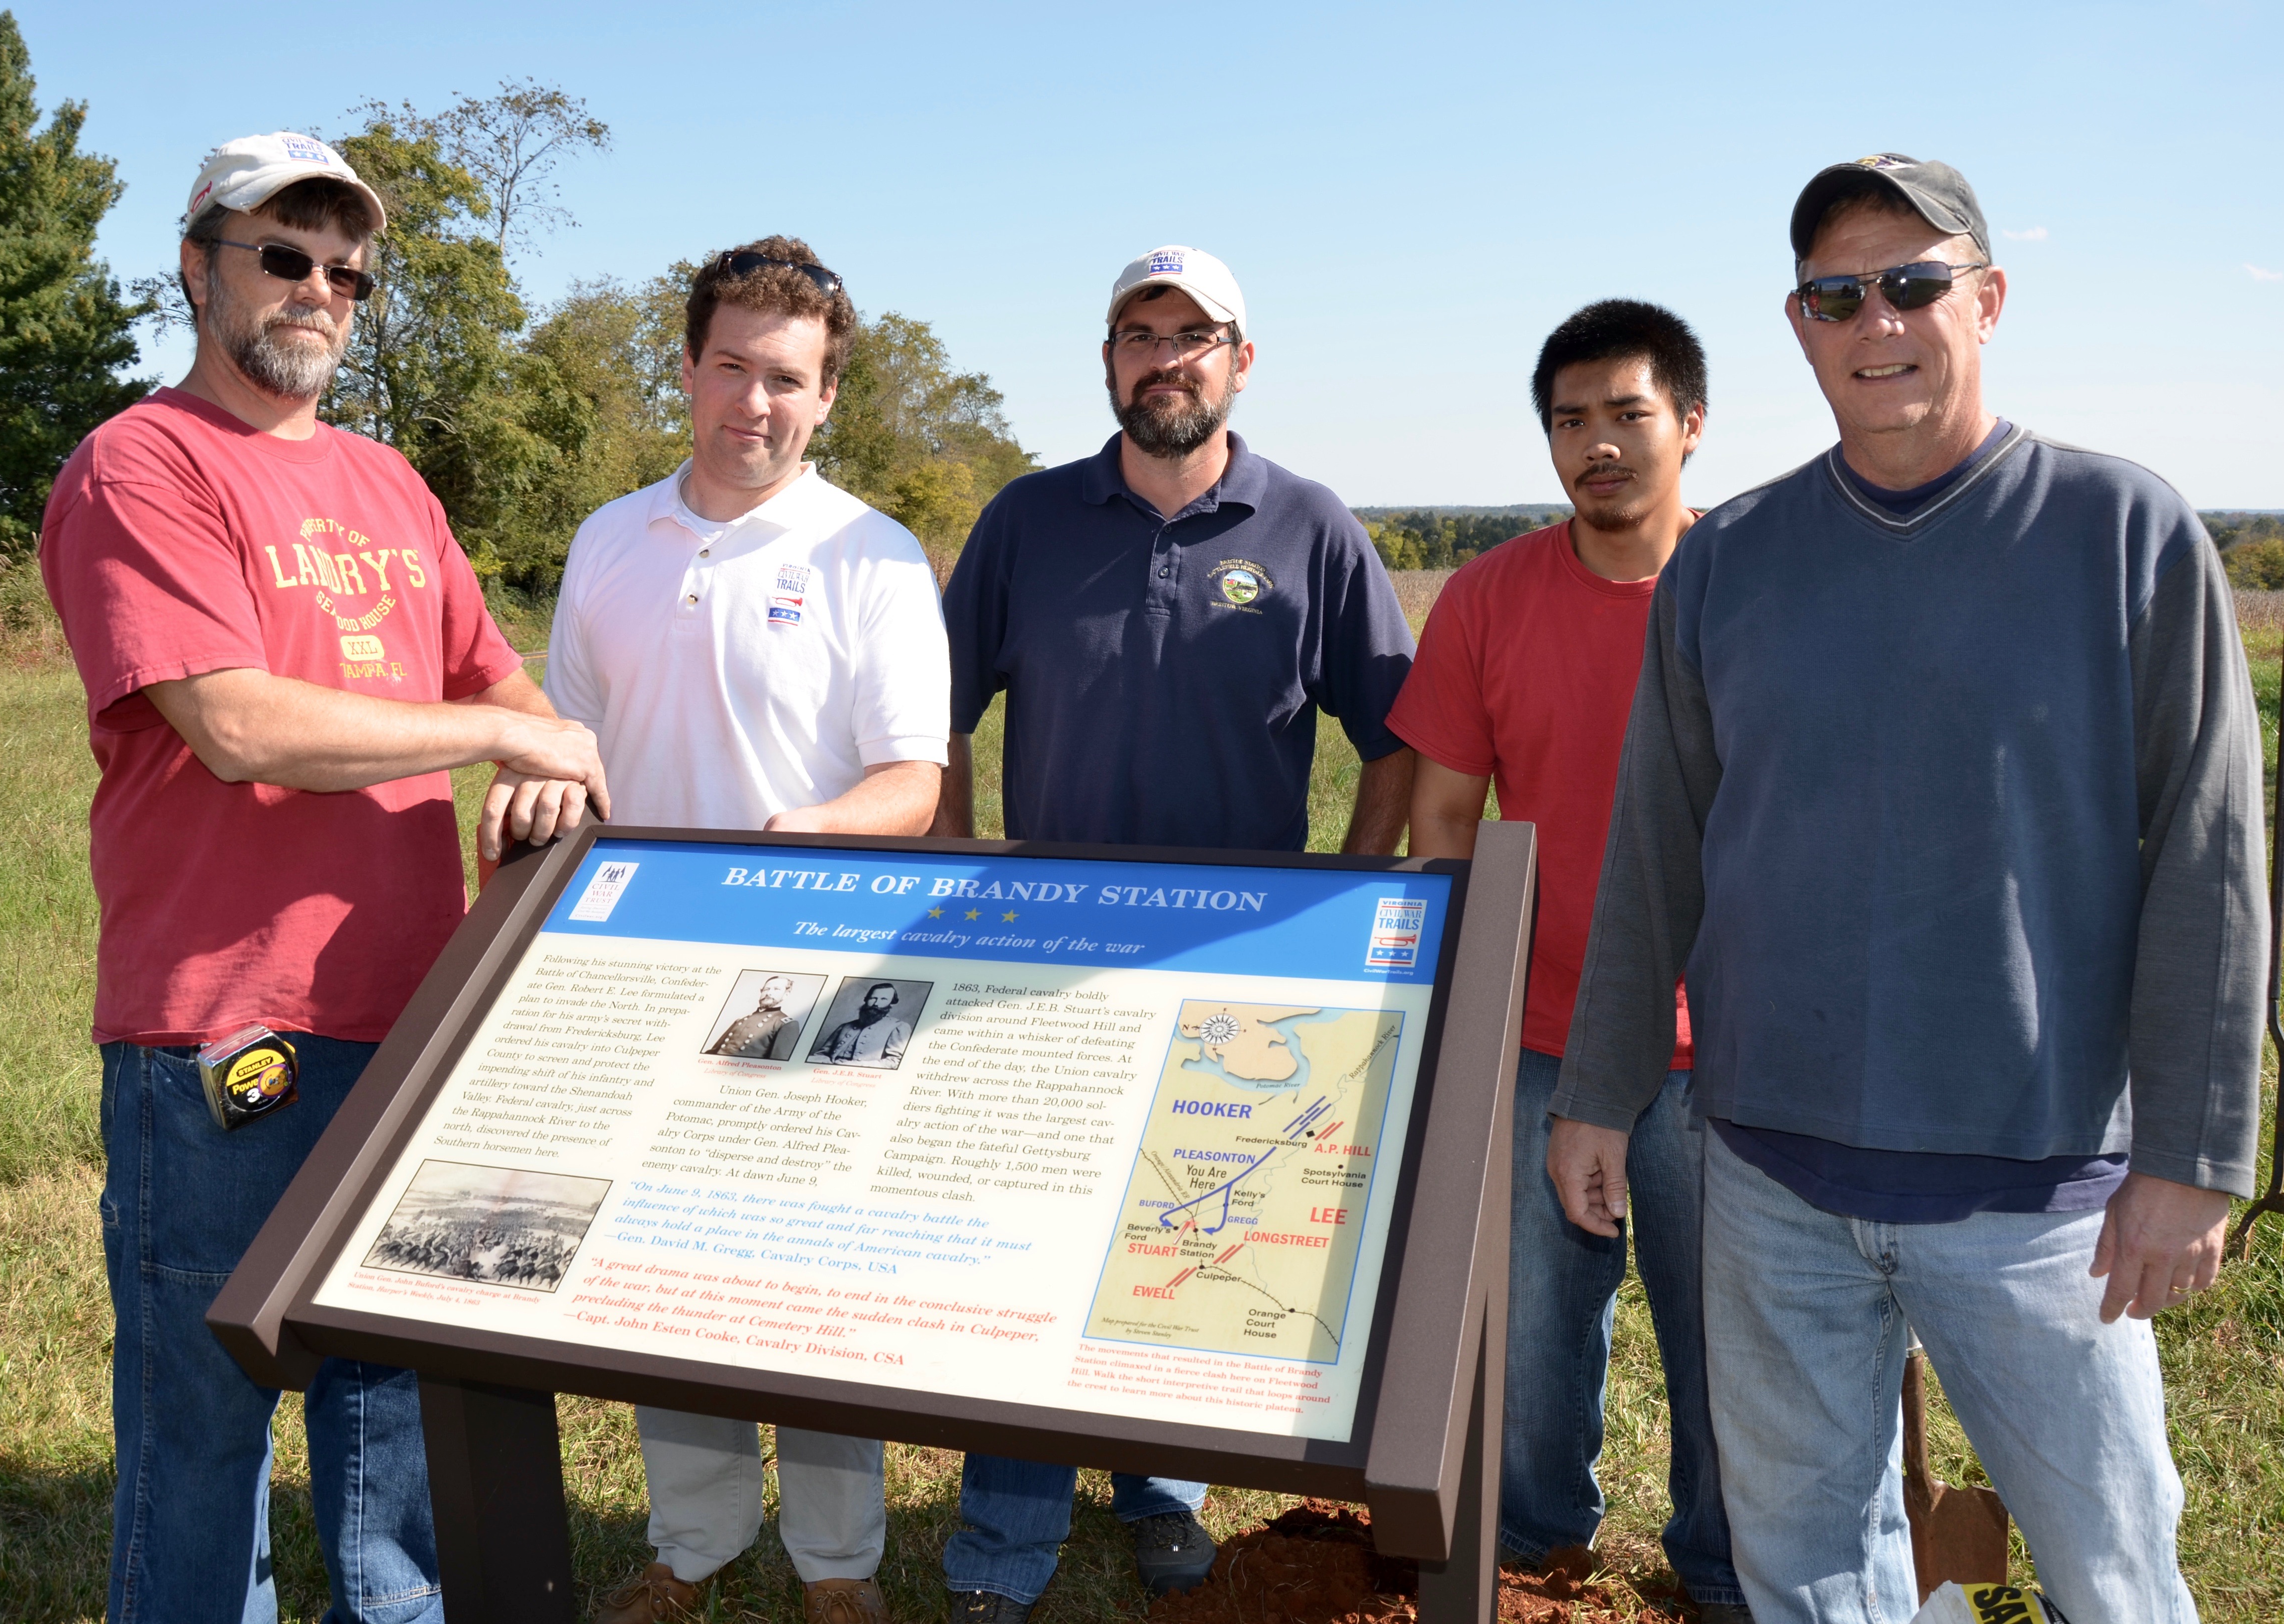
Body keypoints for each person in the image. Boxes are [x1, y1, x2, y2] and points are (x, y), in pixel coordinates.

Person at [1547, 153, 2263, 1624]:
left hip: (2038, 1192)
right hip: (1769, 1181)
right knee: (1807, 1560)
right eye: (1836, 293)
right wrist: (1601, 1086)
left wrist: (2192, 1152)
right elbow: (1655, 849)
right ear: (1800, 328)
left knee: (2114, 1573)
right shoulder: (1729, 561)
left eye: (1914, 282)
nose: (1877, 318)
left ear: (1986, 301)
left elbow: (2210, 853)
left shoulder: (2120, 533)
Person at [38, 132, 606, 1624]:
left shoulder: (390, 487)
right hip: (229, 1035)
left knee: (396, 1418)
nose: (319, 291)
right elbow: (232, 718)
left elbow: (510, 686)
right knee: (204, 1424)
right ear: (196, 265)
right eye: (283, 257)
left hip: (416, 1018)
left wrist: (536, 740)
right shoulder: (140, 464)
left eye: (346, 273)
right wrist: (496, 726)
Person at [931, 245, 1417, 1622]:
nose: (1165, 357)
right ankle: (1003, 1536)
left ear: (1239, 360)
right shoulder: (1028, 521)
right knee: (1026, 1241)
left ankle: (1161, 1492)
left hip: (1236, 969)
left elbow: (1395, 736)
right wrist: (969, 872)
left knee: (1186, 1242)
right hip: (1043, 961)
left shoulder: (1311, 526)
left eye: (1193, 335)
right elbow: (938, 717)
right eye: (1138, 334)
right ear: (1107, 363)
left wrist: (1348, 901)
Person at [546, 236, 946, 1624]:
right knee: (671, 1269)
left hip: (822, 968)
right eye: (732, 368)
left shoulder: (875, 558)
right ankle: (691, 1548)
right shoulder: (609, 541)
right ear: (687, 367)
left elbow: (915, 781)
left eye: (788, 379)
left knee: (809, 1273)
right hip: (644, 970)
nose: (754, 403)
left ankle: (838, 1569)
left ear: (826, 396)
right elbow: (571, 757)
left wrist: (814, 836)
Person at [1385, 301, 1747, 1618]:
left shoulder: (1750, 589)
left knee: (1731, 1339)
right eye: (1568, 420)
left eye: (1626, 415)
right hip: (1538, 1033)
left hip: (1729, 1047)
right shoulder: (1486, 599)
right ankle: (1537, 1554)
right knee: (1536, 1328)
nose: (1596, 445)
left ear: (1690, 425)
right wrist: (1457, 1008)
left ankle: (1724, 1567)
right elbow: (1438, 817)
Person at [809, 982, 911, 1067]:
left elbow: (895, 1062)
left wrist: (854, 1066)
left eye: (883, 999)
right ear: (866, 999)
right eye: (873, 998)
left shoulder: (899, 1027)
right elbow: (821, 1054)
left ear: (891, 1003)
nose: (876, 1004)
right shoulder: (845, 1027)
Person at [709, 975, 805, 1059]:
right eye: (766, 989)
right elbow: (714, 1051)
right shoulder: (741, 1020)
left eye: (777, 989)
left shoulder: (786, 1024)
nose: (769, 993)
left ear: (786, 995)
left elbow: (777, 1064)